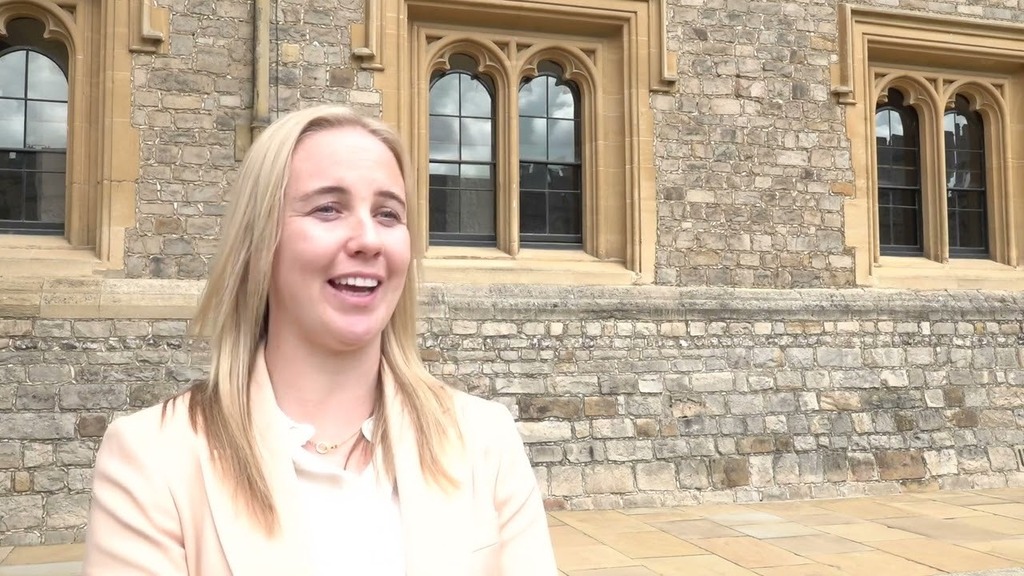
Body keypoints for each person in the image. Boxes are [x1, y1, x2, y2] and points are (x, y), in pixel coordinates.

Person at [82, 105, 558, 575]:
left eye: (388, 214)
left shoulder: (484, 438)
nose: (368, 239)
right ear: (259, 240)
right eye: (328, 208)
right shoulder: (154, 456)